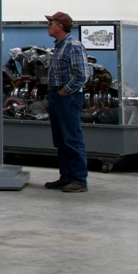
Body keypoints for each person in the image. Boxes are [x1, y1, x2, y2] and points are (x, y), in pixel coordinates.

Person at [44, 11, 89, 193]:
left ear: (59, 26)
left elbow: (82, 75)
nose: (48, 26)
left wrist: (64, 91)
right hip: (57, 97)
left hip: (68, 98)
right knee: (61, 140)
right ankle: (66, 177)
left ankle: (79, 180)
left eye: (50, 23)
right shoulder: (59, 46)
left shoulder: (73, 45)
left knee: (72, 139)